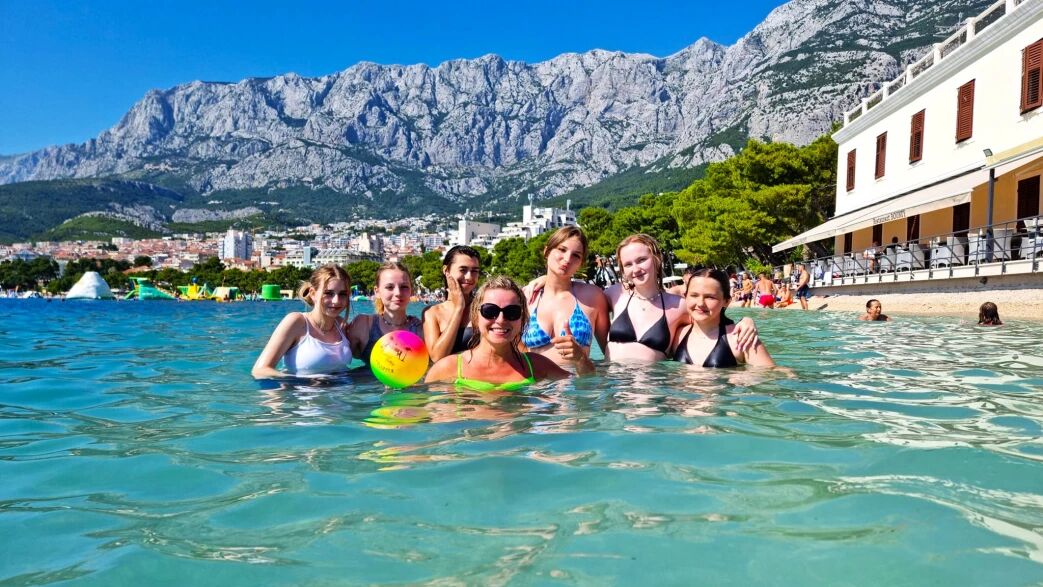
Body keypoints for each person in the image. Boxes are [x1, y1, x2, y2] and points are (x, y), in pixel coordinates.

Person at [605, 234, 759, 362]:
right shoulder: (614, 294)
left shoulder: (679, 306)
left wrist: (746, 321)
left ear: (657, 258)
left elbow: (714, 324)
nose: (636, 269)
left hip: (654, 385)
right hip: (613, 384)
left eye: (641, 260)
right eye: (628, 264)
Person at [425, 275, 583, 389]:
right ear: (475, 316)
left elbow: (584, 386)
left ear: (522, 319)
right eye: (490, 311)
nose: (501, 320)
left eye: (512, 312)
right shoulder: (448, 368)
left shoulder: (536, 365)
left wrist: (580, 358)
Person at [521, 226, 609, 369]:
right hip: (536, 383)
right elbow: (514, 355)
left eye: (576, 255)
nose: (567, 259)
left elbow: (610, 355)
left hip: (577, 381)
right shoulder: (526, 297)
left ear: (581, 263)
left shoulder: (593, 297)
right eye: (562, 250)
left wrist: (580, 357)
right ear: (547, 251)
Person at [252, 265, 353, 378]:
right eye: (328, 293)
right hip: (302, 388)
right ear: (313, 294)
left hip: (344, 389)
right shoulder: (296, 322)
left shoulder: (342, 326)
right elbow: (260, 370)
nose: (336, 301)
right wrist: (307, 382)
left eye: (343, 294)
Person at [672, 268, 775, 367]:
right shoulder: (678, 335)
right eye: (694, 295)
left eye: (710, 297)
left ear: (726, 301)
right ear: (685, 297)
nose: (700, 303)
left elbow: (772, 374)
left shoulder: (742, 338)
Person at [348, 262, 424, 364]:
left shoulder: (420, 329)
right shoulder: (363, 325)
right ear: (377, 291)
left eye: (404, 287)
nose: (398, 293)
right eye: (389, 287)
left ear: (411, 291)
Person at [423, 246, 483, 362]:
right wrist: (459, 308)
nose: (469, 277)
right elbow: (437, 357)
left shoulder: (485, 308)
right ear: (446, 270)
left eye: (474, 271)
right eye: (463, 270)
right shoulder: (432, 313)